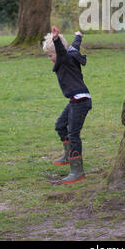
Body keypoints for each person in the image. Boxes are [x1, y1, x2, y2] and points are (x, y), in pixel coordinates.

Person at [42, 25, 92, 184]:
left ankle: (77, 171)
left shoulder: (63, 56)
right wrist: (78, 35)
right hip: (75, 100)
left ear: (57, 52)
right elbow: (74, 45)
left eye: (50, 55)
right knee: (60, 125)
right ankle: (68, 154)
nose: (49, 59)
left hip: (81, 101)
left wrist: (55, 39)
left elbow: (61, 50)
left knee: (73, 134)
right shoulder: (70, 53)